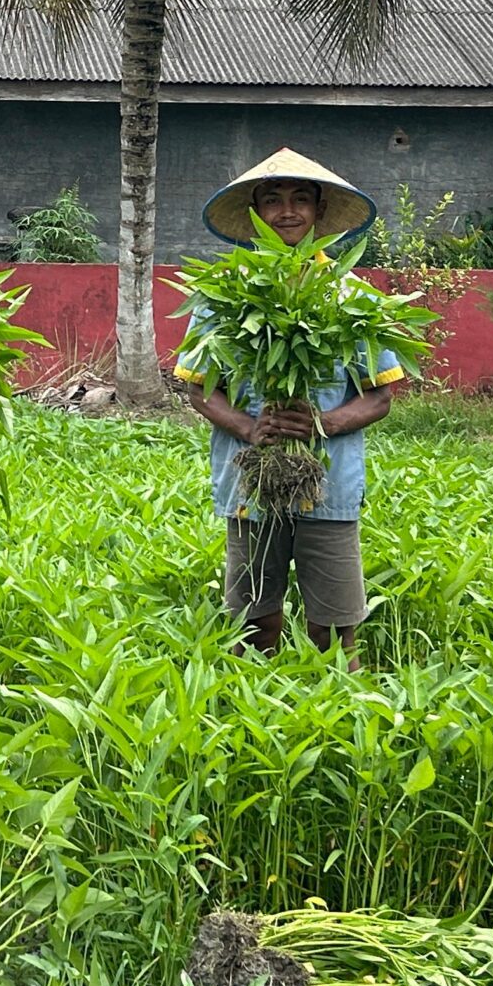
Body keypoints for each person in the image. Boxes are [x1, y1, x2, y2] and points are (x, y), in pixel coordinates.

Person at [176, 149, 406, 659]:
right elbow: (199, 389)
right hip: (251, 480)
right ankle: (254, 714)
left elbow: (380, 397)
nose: (287, 212)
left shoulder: (351, 296)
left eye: (301, 200)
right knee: (254, 616)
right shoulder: (223, 295)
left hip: (329, 483)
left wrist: (320, 424)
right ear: (256, 212)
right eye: (273, 200)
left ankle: (337, 714)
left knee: (336, 622)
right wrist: (249, 428)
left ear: (319, 212)